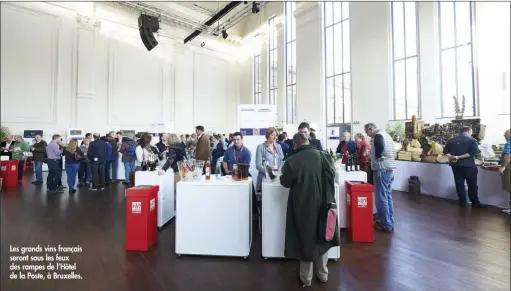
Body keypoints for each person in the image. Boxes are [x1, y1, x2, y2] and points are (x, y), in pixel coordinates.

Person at [279, 133, 339, 287]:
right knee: (323, 236)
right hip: (326, 204)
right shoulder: (324, 156)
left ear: (295, 145)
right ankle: (323, 274)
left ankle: (306, 278)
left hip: (304, 206)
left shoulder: (293, 160)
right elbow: (332, 177)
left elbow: (285, 182)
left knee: (306, 239)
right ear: (308, 142)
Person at [364, 123, 396, 232]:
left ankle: (385, 224)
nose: (368, 135)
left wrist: (377, 156)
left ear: (370, 129)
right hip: (389, 169)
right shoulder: (387, 136)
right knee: (387, 196)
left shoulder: (378, 136)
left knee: (381, 197)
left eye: (367, 132)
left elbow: (380, 146)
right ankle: (389, 221)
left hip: (381, 170)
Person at [443, 126, 485, 208]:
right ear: (469, 131)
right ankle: (475, 202)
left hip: (455, 166)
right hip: (468, 166)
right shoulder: (472, 140)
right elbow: (472, 153)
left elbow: (445, 152)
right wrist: (458, 157)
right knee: (472, 185)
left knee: (459, 184)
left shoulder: (451, 140)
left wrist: (452, 157)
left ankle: (462, 202)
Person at [255, 127, 284, 191]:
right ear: (268, 135)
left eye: (276, 135)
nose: (275, 137)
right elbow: (258, 165)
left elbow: (282, 161)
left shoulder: (278, 146)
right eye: (273, 135)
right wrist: (271, 174)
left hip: (277, 178)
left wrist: (278, 172)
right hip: (265, 178)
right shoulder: (260, 147)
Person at [500, 129, 511, 214]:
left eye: (506, 133)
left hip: (509, 167)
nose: (504, 135)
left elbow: (507, 155)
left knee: (510, 187)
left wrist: (503, 167)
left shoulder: (508, 143)